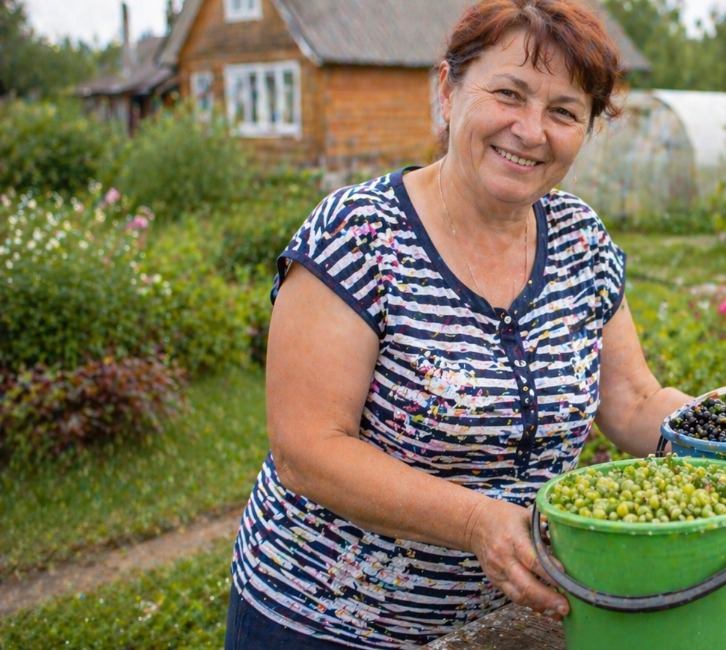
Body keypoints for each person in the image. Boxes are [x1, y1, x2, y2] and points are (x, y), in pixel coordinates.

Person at [223, 1, 692, 647]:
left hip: (505, 623)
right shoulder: (358, 234)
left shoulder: (580, 239)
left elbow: (634, 401)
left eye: (563, 111)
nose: (530, 131)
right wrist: (477, 521)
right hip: (328, 622)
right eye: (509, 94)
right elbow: (308, 449)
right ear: (447, 89)